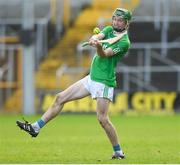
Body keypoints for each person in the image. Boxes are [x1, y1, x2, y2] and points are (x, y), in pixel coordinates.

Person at [16, 8, 132, 159]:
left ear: (126, 23)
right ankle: (35, 127)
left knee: (102, 119)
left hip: (104, 82)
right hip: (91, 78)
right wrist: (94, 37)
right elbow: (99, 34)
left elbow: (104, 54)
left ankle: (118, 152)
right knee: (60, 98)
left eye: (120, 20)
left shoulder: (124, 42)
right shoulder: (110, 29)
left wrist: (97, 46)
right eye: (115, 19)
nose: (116, 22)